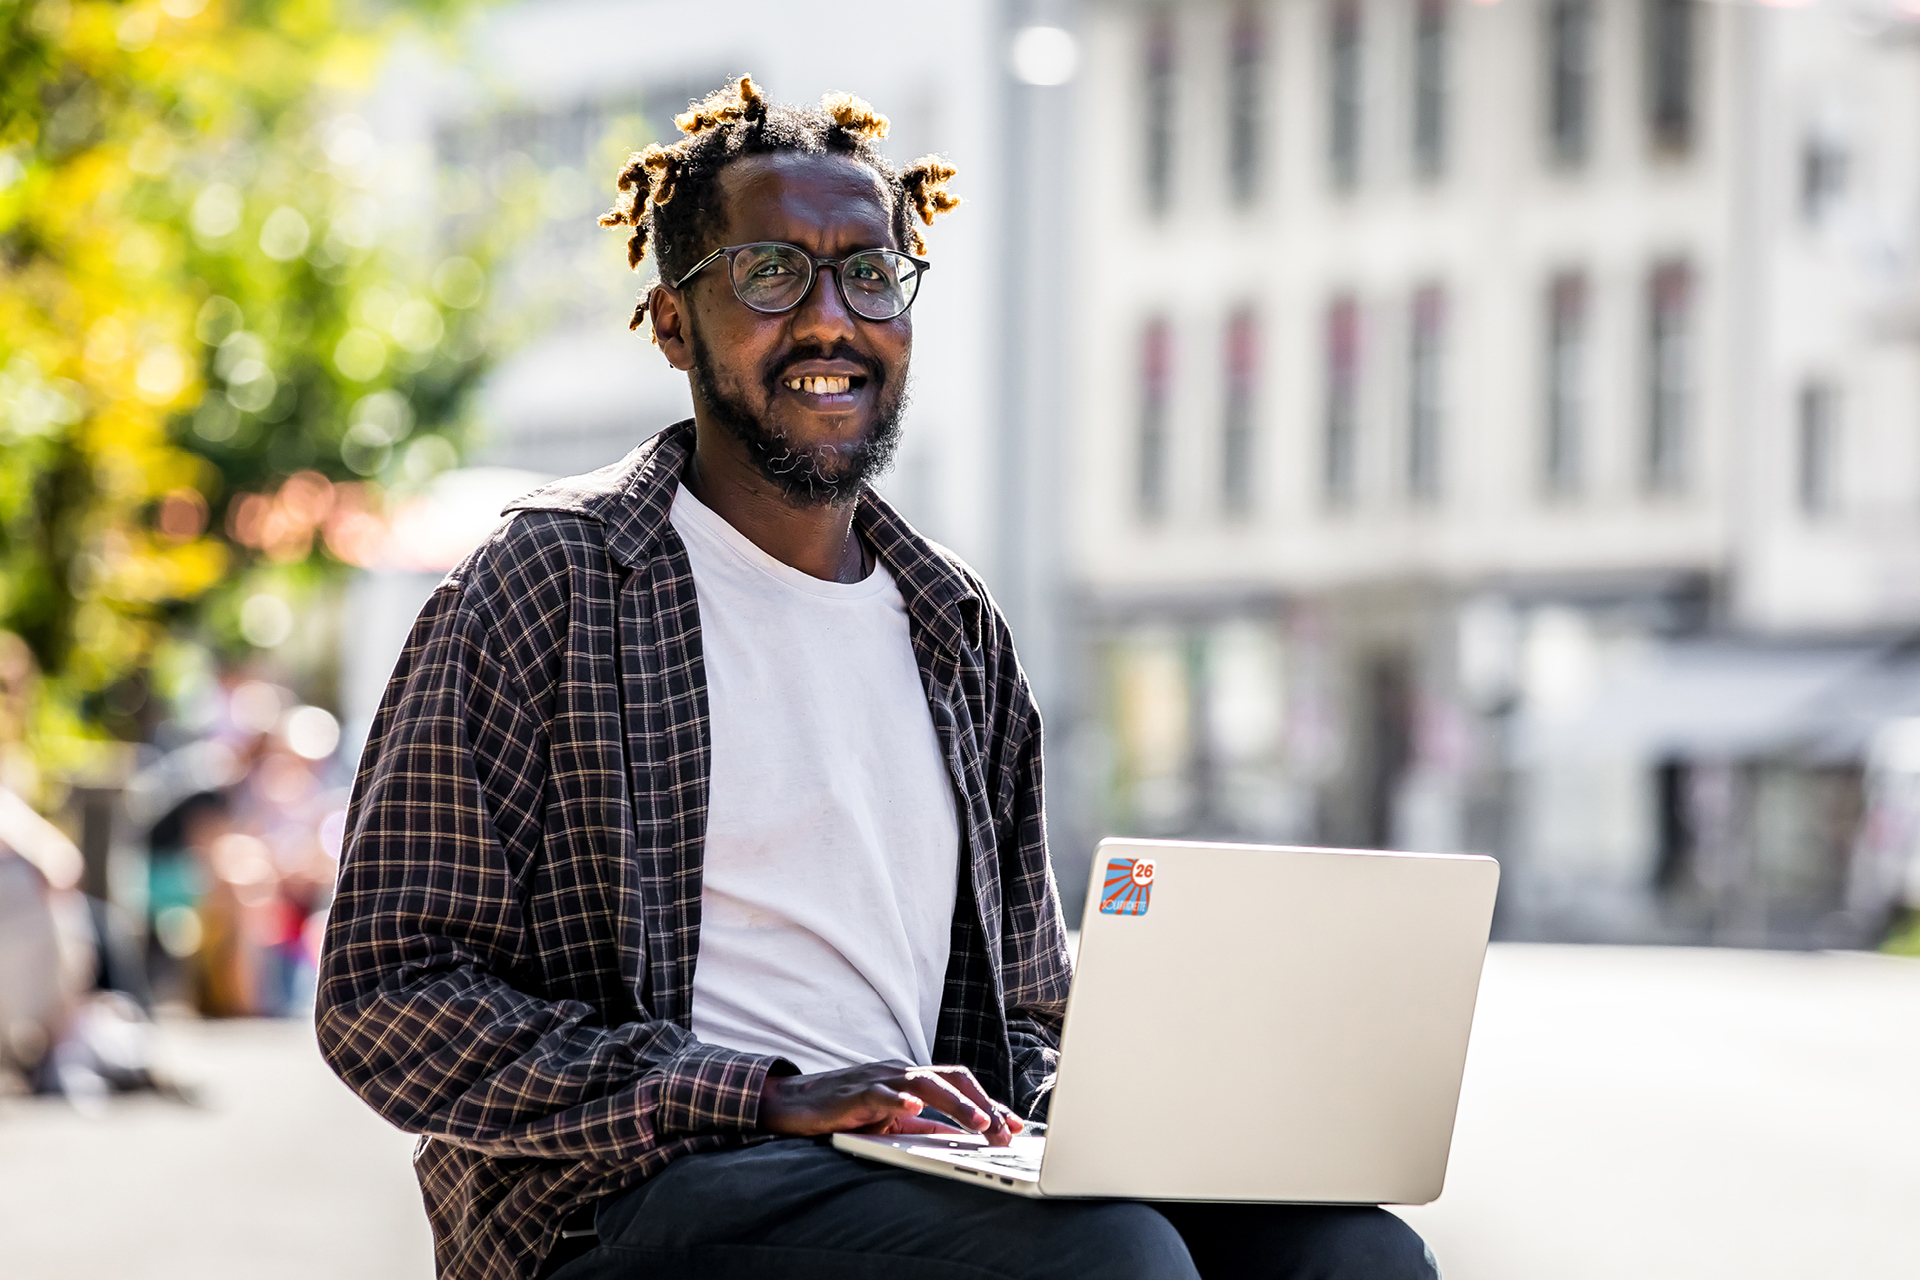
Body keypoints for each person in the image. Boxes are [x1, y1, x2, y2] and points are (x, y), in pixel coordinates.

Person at [317, 76, 1438, 1280]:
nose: (831, 319)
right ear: (671, 324)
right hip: (633, 1198)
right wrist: (763, 1094)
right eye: (769, 275)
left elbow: (1024, 1011)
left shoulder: (953, 623)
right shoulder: (549, 582)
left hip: (926, 1173)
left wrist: (1149, 1112)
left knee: (1352, 1253)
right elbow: (387, 996)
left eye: (868, 272)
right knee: (1107, 1258)